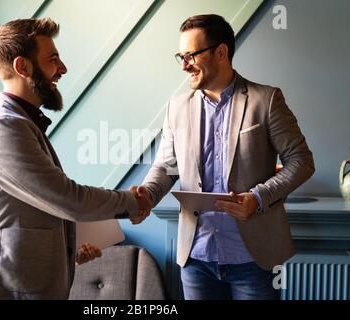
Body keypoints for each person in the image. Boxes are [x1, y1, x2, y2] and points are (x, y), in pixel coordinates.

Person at [0, 18, 151, 300]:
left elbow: (34, 209)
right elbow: (67, 198)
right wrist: (132, 202)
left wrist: (68, 248)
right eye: (53, 59)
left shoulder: (21, 124)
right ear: (22, 67)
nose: (62, 69)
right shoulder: (2, 129)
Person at [131, 14, 315, 300]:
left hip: (253, 260)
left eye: (190, 55)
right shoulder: (176, 107)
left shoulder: (266, 100)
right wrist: (145, 196)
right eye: (180, 56)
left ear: (221, 52)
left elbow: (301, 161)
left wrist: (258, 197)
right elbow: (166, 168)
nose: (183, 65)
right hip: (196, 258)